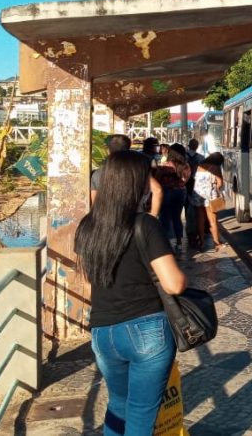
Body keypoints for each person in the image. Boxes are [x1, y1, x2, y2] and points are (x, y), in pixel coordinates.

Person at [74, 150, 186, 436]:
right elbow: (174, 284)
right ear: (135, 183)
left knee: (118, 405)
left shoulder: (87, 226)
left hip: (103, 332)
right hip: (146, 329)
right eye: (146, 177)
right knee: (140, 412)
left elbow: (87, 282)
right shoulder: (145, 224)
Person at [91, 134, 161, 217]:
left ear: (108, 150)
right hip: (135, 218)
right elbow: (157, 190)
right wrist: (153, 215)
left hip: (107, 219)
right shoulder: (138, 169)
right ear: (128, 148)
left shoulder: (98, 173)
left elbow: (95, 204)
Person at [153, 144, 191, 252]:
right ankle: (179, 243)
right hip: (181, 192)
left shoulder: (165, 165)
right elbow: (186, 180)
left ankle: (165, 244)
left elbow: (157, 178)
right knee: (177, 218)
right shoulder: (186, 166)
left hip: (167, 191)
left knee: (165, 218)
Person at [193, 152, 227, 252]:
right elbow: (220, 183)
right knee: (212, 221)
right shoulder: (215, 167)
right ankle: (217, 243)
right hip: (210, 195)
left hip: (198, 195)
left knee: (200, 220)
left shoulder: (199, 166)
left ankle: (201, 242)